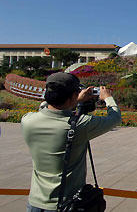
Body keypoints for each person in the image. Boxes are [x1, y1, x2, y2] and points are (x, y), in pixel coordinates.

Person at [21, 72, 121, 211]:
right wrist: (108, 98)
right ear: (72, 96)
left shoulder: (27, 120)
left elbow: (44, 107)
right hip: (66, 204)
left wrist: (75, 99)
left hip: (35, 202)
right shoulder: (79, 125)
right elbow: (115, 118)